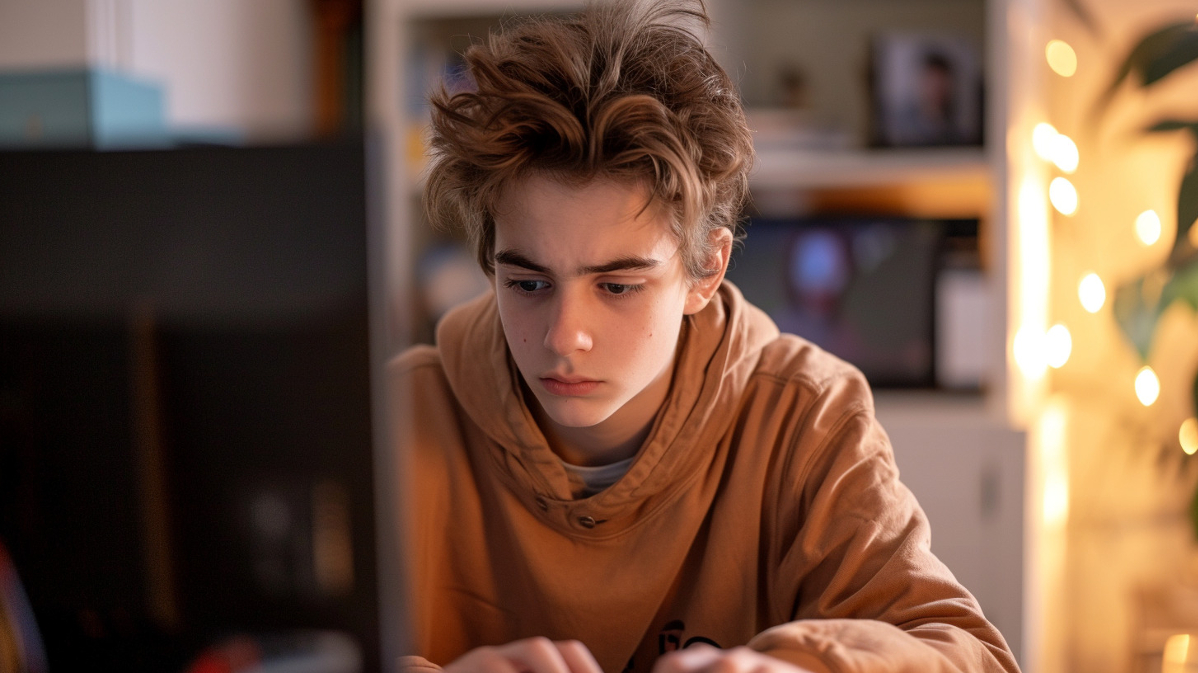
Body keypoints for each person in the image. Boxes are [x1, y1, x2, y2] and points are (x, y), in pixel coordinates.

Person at [389, 1, 1020, 672]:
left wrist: (795, 670)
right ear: (490, 263)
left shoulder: (807, 416)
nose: (566, 336)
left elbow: (969, 657)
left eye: (618, 285)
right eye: (529, 284)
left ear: (705, 270)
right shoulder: (397, 415)